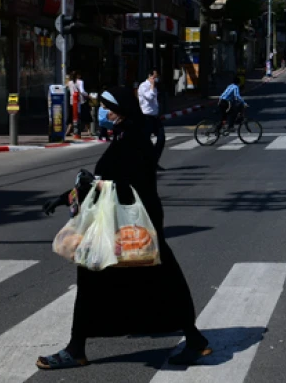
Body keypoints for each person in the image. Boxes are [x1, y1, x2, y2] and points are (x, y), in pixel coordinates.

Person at [39, 86, 212, 369]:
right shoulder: (129, 134)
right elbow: (109, 179)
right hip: (134, 224)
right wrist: (71, 195)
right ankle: (194, 339)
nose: (105, 113)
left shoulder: (132, 139)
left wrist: (81, 189)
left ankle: (76, 349)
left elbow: (120, 181)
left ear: (122, 111)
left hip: (129, 226)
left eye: (110, 108)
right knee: (161, 280)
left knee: (98, 278)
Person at [137, 69, 165, 167]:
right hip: (146, 117)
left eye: (157, 77)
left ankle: (154, 161)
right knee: (146, 141)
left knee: (161, 138)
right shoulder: (143, 86)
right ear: (150, 76)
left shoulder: (155, 87)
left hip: (154, 117)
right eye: (155, 76)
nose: (156, 79)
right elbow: (149, 97)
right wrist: (152, 86)